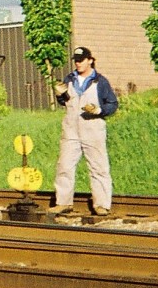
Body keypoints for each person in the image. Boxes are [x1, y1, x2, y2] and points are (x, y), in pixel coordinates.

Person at [49, 46, 118, 217]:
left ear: (90, 61)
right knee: (64, 166)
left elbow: (112, 103)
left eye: (81, 60)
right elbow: (65, 101)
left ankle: (101, 205)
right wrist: (60, 95)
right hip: (71, 129)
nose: (78, 63)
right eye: (76, 61)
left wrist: (100, 110)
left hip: (93, 129)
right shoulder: (70, 79)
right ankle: (63, 202)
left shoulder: (100, 81)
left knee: (98, 167)